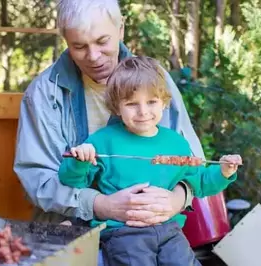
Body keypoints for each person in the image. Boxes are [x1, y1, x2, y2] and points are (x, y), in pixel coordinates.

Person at [14, 0, 203, 263]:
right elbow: (38, 180)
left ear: (121, 29)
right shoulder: (44, 93)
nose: (93, 56)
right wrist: (101, 205)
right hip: (72, 232)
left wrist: (177, 198)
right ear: (66, 40)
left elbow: (193, 162)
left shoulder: (156, 81)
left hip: (155, 234)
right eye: (79, 46)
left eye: (102, 41)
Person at [58, 56, 242, 266]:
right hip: (123, 233)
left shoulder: (176, 143)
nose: (143, 111)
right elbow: (72, 181)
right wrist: (79, 161)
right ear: (117, 107)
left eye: (151, 102)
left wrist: (224, 172)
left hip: (169, 230)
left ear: (164, 102)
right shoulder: (101, 142)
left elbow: (199, 182)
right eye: (131, 104)